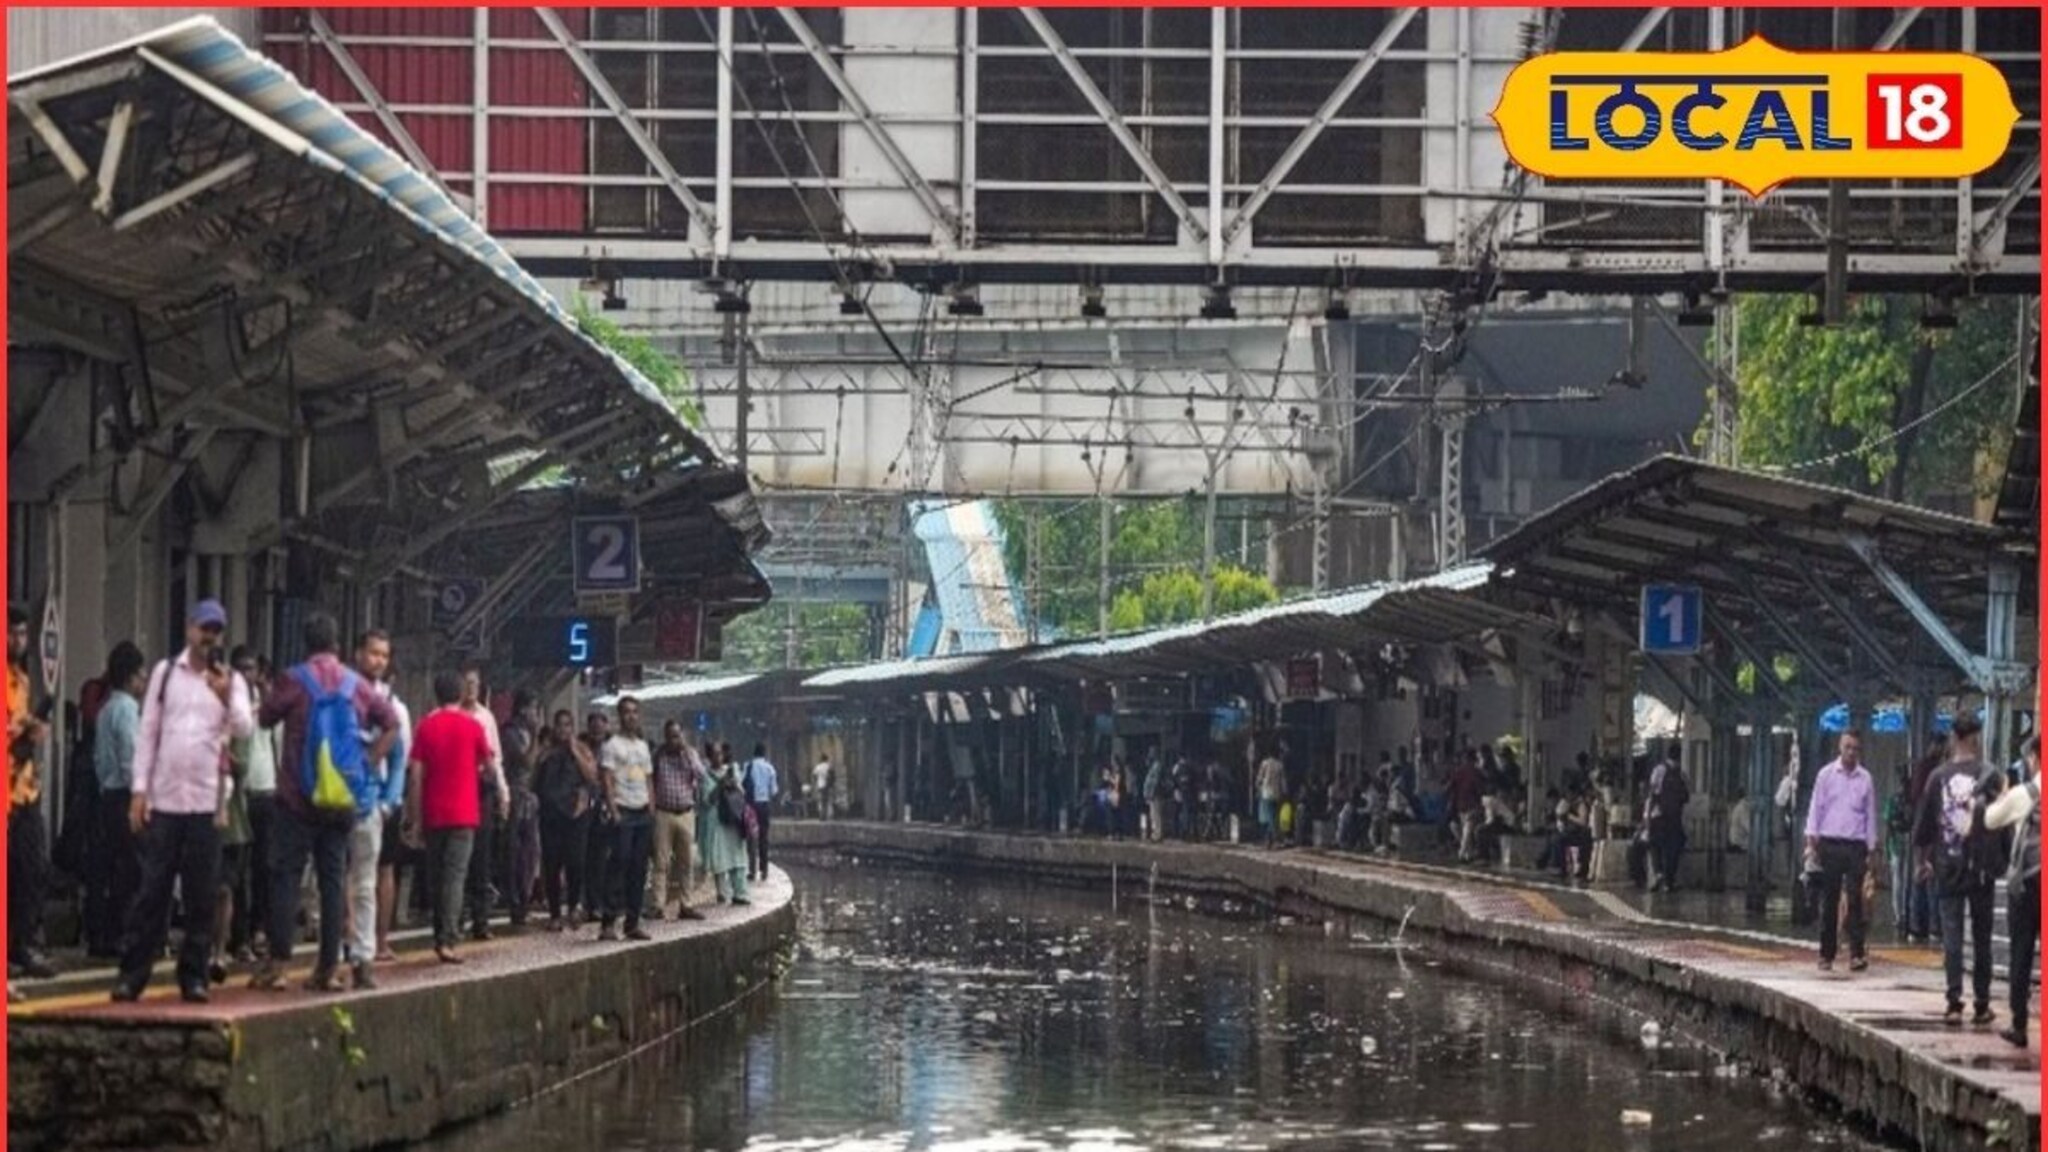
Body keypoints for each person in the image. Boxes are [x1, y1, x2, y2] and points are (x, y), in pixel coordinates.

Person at [112, 600, 254, 1003]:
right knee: (152, 890)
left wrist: (227, 695)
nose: (208, 637)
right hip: (167, 799)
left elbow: (245, 725)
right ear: (190, 629)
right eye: (203, 628)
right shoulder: (164, 674)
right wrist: (139, 790)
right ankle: (132, 973)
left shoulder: (231, 680)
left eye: (216, 631)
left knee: (201, 893)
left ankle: (193, 975)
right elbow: (148, 734)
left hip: (207, 802)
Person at [253, 612, 399, 993]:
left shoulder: (294, 679)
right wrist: (369, 762)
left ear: (306, 643)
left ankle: (280, 965)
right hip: (342, 800)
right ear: (337, 646)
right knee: (334, 881)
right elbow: (391, 724)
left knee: (285, 877)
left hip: (296, 799)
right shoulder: (356, 684)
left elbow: (266, 718)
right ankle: (328, 968)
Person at [1913, 715, 2004, 1026]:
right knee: (1982, 937)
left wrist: (1922, 860)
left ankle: (1954, 1002)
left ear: (1953, 737)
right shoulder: (1991, 775)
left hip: (1947, 864)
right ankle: (1981, 1003)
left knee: (1952, 936)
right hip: (1981, 869)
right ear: (1977, 737)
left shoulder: (1937, 777)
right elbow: (2001, 820)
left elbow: (1925, 824)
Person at [402, 672, 493, 964]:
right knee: (455, 876)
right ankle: (448, 938)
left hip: (433, 813)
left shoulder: (425, 727)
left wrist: (414, 818)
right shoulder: (473, 726)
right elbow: (489, 764)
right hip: (465, 813)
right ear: (459, 694)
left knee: (437, 876)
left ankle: (439, 931)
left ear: (435, 695)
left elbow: (416, 776)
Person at [341, 630, 407, 990]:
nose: (378, 660)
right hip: (334, 800)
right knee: (335, 878)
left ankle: (362, 954)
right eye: (373, 653)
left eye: (384, 654)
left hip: (370, 802)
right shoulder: (342, 695)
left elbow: (399, 759)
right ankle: (340, 945)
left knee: (364, 881)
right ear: (358, 654)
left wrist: (389, 801)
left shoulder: (393, 706)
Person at [84, 642, 146, 959]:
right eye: (141, 674)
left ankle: (103, 933)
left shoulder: (106, 708)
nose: (144, 680)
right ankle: (120, 931)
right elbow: (131, 758)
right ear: (131, 677)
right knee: (132, 868)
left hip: (106, 794)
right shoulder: (127, 710)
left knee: (111, 866)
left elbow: (99, 759)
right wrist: (140, 796)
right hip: (124, 795)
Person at [8, 605, 57, 985]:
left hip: (24, 789)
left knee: (32, 870)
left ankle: (21, 944)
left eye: (23, 634)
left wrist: (33, 730)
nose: (18, 642)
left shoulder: (22, 680)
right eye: (12, 634)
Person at [1804, 731, 1879, 973]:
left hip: (1856, 844)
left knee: (1856, 900)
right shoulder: (1826, 775)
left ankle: (1857, 953)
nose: (1851, 752)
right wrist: (1811, 840)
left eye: (1855, 748)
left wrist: (1872, 847)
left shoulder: (1865, 779)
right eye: (1847, 747)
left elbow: (1870, 814)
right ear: (1840, 747)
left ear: (1860, 751)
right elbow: (1816, 807)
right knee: (1830, 899)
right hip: (1830, 842)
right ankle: (1826, 953)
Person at [1985, 735, 2039, 1048]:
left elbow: (1991, 820)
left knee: (2021, 952)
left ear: (2035, 757)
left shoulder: (2025, 793)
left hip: (2028, 885)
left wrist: (2002, 795)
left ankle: (2019, 1025)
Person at [234, 651, 280, 962]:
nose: (247, 674)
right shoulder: (230, 707)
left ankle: (258, 929)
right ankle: (238, 934)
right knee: (236, 871)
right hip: (239, 794)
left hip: (266, 791)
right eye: (241, 669)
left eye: (251, 668)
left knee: (263, 867)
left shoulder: (268, 705)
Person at [597, 697, 656, 942]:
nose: (631, 716)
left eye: (635, 712)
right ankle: (608, 921)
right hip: (623, 810)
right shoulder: (611, 746)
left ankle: (633, 922)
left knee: (639, 868)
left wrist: (652, 807)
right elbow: (607, 779)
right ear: (619, 716)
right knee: (619, 863)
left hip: (642, 812)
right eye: (626, 712)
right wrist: (613, 810)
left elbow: (648, 779)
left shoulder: (643, 747)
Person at [536, 710, 598, 931]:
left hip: (575, 814)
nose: (563, 730)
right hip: (551, 815)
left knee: (576, 862)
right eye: (560, 725)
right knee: (552, 864)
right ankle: (554, 913)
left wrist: (575, 751)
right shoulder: (546, 752)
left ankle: (573, 905)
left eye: (567, 725)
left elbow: (592, 776)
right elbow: (536, 778)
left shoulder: (581, 749)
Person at [458, 667, 508, 941]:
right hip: (457, 786)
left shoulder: (486, 717)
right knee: (457, 856)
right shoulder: (451, 713)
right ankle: (457, 916)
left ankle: (480, 919)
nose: (471, 688)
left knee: (481, 855)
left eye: (475, 683)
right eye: (466, 683)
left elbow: (495, 758)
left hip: (481, 788)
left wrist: (503, 792)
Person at [650, 719, 705, 922]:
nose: (674, 740)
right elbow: (649, 779)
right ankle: (657, 905)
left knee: (686, 862)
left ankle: (686, 905)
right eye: (670, 736)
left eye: (677, 735)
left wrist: (688, 754)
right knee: (661, 862)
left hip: (686, 813)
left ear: (682, 736)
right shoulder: (658, 755)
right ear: (665, 737)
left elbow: (702, 776)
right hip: (663, 813)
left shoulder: (690, 754)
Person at [499, 692, 540, 929]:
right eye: (533, 709)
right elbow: (527, 762)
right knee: (514, 851)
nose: (536, 715)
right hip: (514, 796)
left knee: (530, 852)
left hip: (529, 798)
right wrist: (535, 735)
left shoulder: (523, 733)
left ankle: (524, 898)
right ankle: (515, 900)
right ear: (523, 709)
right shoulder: (510, 734)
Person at [699, 743, 751, 906]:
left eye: (720, 754)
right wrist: (720, 785)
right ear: (709, 757)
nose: (718, 757)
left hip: (734, 820)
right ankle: (722, 893)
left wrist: (734, 783)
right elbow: (707, 801)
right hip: (717, 821)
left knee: (738, 856)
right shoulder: (706, 776)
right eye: (714, 754)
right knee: (719, 856)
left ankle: (740, 893)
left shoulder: (733, 771)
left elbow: (742, 794)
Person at [1644, 741, 1690, 892]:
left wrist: (1648, 817)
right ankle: (1669, 881)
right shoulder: (1682, 774)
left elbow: (1652, 793)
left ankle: (1658, 873)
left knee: (1655, 845)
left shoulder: (1659, 770)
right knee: (1673, 848)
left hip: (1659, 815)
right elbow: (1685, 798)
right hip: (1675, 818)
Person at [1882, 767, 1917, 941]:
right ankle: (1899, 914)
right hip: (1897, 842)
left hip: (1903, 841)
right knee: (1899, 880)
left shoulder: (1908, 801)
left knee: (1902, 880)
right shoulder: (1896, 801)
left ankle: (1902, 913)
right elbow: (1888, 825)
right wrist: (1886, 849)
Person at [743, 743, 780, 881]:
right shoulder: (770, 768)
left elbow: (742, 784)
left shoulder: (748, 766)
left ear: (754, 753)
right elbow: (774, 790)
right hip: (764, 805)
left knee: (751, 838)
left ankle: (752, 871)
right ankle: (764, 870)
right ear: (765, 753)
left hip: (751, 806)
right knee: (764, 838)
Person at [1446, 750, 1486, 863]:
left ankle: (1466, 853)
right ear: (1474, 760)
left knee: (1465, 830)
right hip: (1473, 805)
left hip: (1461, 806)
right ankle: (1464, 853)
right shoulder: (1476, 773)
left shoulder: (1458, 772)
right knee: (1467, 830)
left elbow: (1448, 788)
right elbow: (1481, 789)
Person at [1255, 749, 1285, 849]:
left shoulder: (1264, 763)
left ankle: (1272, 840)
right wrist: (1284, 792)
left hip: (1266, 793)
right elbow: (1283, 781)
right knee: (1273, 817)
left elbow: (1259, 778)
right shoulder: (1280, 765)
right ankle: (1270, 840)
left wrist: (1258, 787)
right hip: (1277, 794)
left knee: (1268, 819)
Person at [811, 753, 834, 820]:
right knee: (827, 801)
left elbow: (814, 775)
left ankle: (822, 815)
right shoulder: (828, 766)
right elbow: (832, 775)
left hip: (820, 785)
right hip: (827, 785)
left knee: (821, 801)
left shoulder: (818, 766)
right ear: (827, 759)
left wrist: (816, 781)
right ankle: (827, 815)